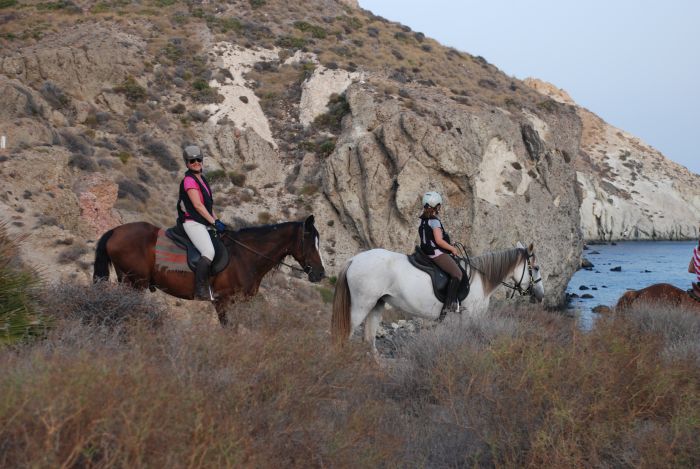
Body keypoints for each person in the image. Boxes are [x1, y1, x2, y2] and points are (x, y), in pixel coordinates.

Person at [176, 144, 227, 300]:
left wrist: (217, 221)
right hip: (193, 223)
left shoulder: (201, 178)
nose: (196, 162)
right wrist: (213, 222)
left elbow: (207, 205)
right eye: (192, 161)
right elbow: (198, 206)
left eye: (198, 159)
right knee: (208, 252)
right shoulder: (189, 181)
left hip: (204, 222)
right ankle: (200, 290)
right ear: (187, 163)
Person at [418, 191, 463, 314]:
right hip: (435, 254)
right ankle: (449, 306)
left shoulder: (422, 219)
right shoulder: (434, 221)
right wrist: (452, 249)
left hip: (425, 252)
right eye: (439, 205)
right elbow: (438, 240)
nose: (440, 207)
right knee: (457, 274)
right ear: (436, 206)